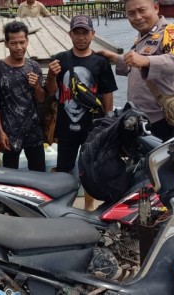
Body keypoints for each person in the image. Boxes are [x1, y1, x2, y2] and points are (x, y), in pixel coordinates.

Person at [95, 0, 174, 141]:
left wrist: (145, 60)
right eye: (131, 13)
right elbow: (136, 66)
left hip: (164, 118)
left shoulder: (171, 32)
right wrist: (114, 57)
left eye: (142, 10)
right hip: (141, 117)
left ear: (156, 7)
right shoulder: (142, 38)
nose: (137, 17)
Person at [46, 14, 117, 210]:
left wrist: (108, 118)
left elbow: (107, 91)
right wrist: (51, 75)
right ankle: (63, 205)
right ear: (70, 35)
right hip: (65, 125)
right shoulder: (60, 59)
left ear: (93, 34)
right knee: (64, 168)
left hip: (93, 125)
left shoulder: (100, 62)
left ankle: (88, 206)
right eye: (76, 33)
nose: (80, 37)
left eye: (84, 33)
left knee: (90, 168)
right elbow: (50, 92)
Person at [0, 21, 46, 171]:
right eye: (14, 43)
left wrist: (36, 86)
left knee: (39, 174)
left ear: (27, 41)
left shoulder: (33, 66)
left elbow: (41, 98)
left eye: (22, 42)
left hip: (33, 132)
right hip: (9, 133)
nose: (18, 47)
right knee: (11, 177)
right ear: (6, 44)